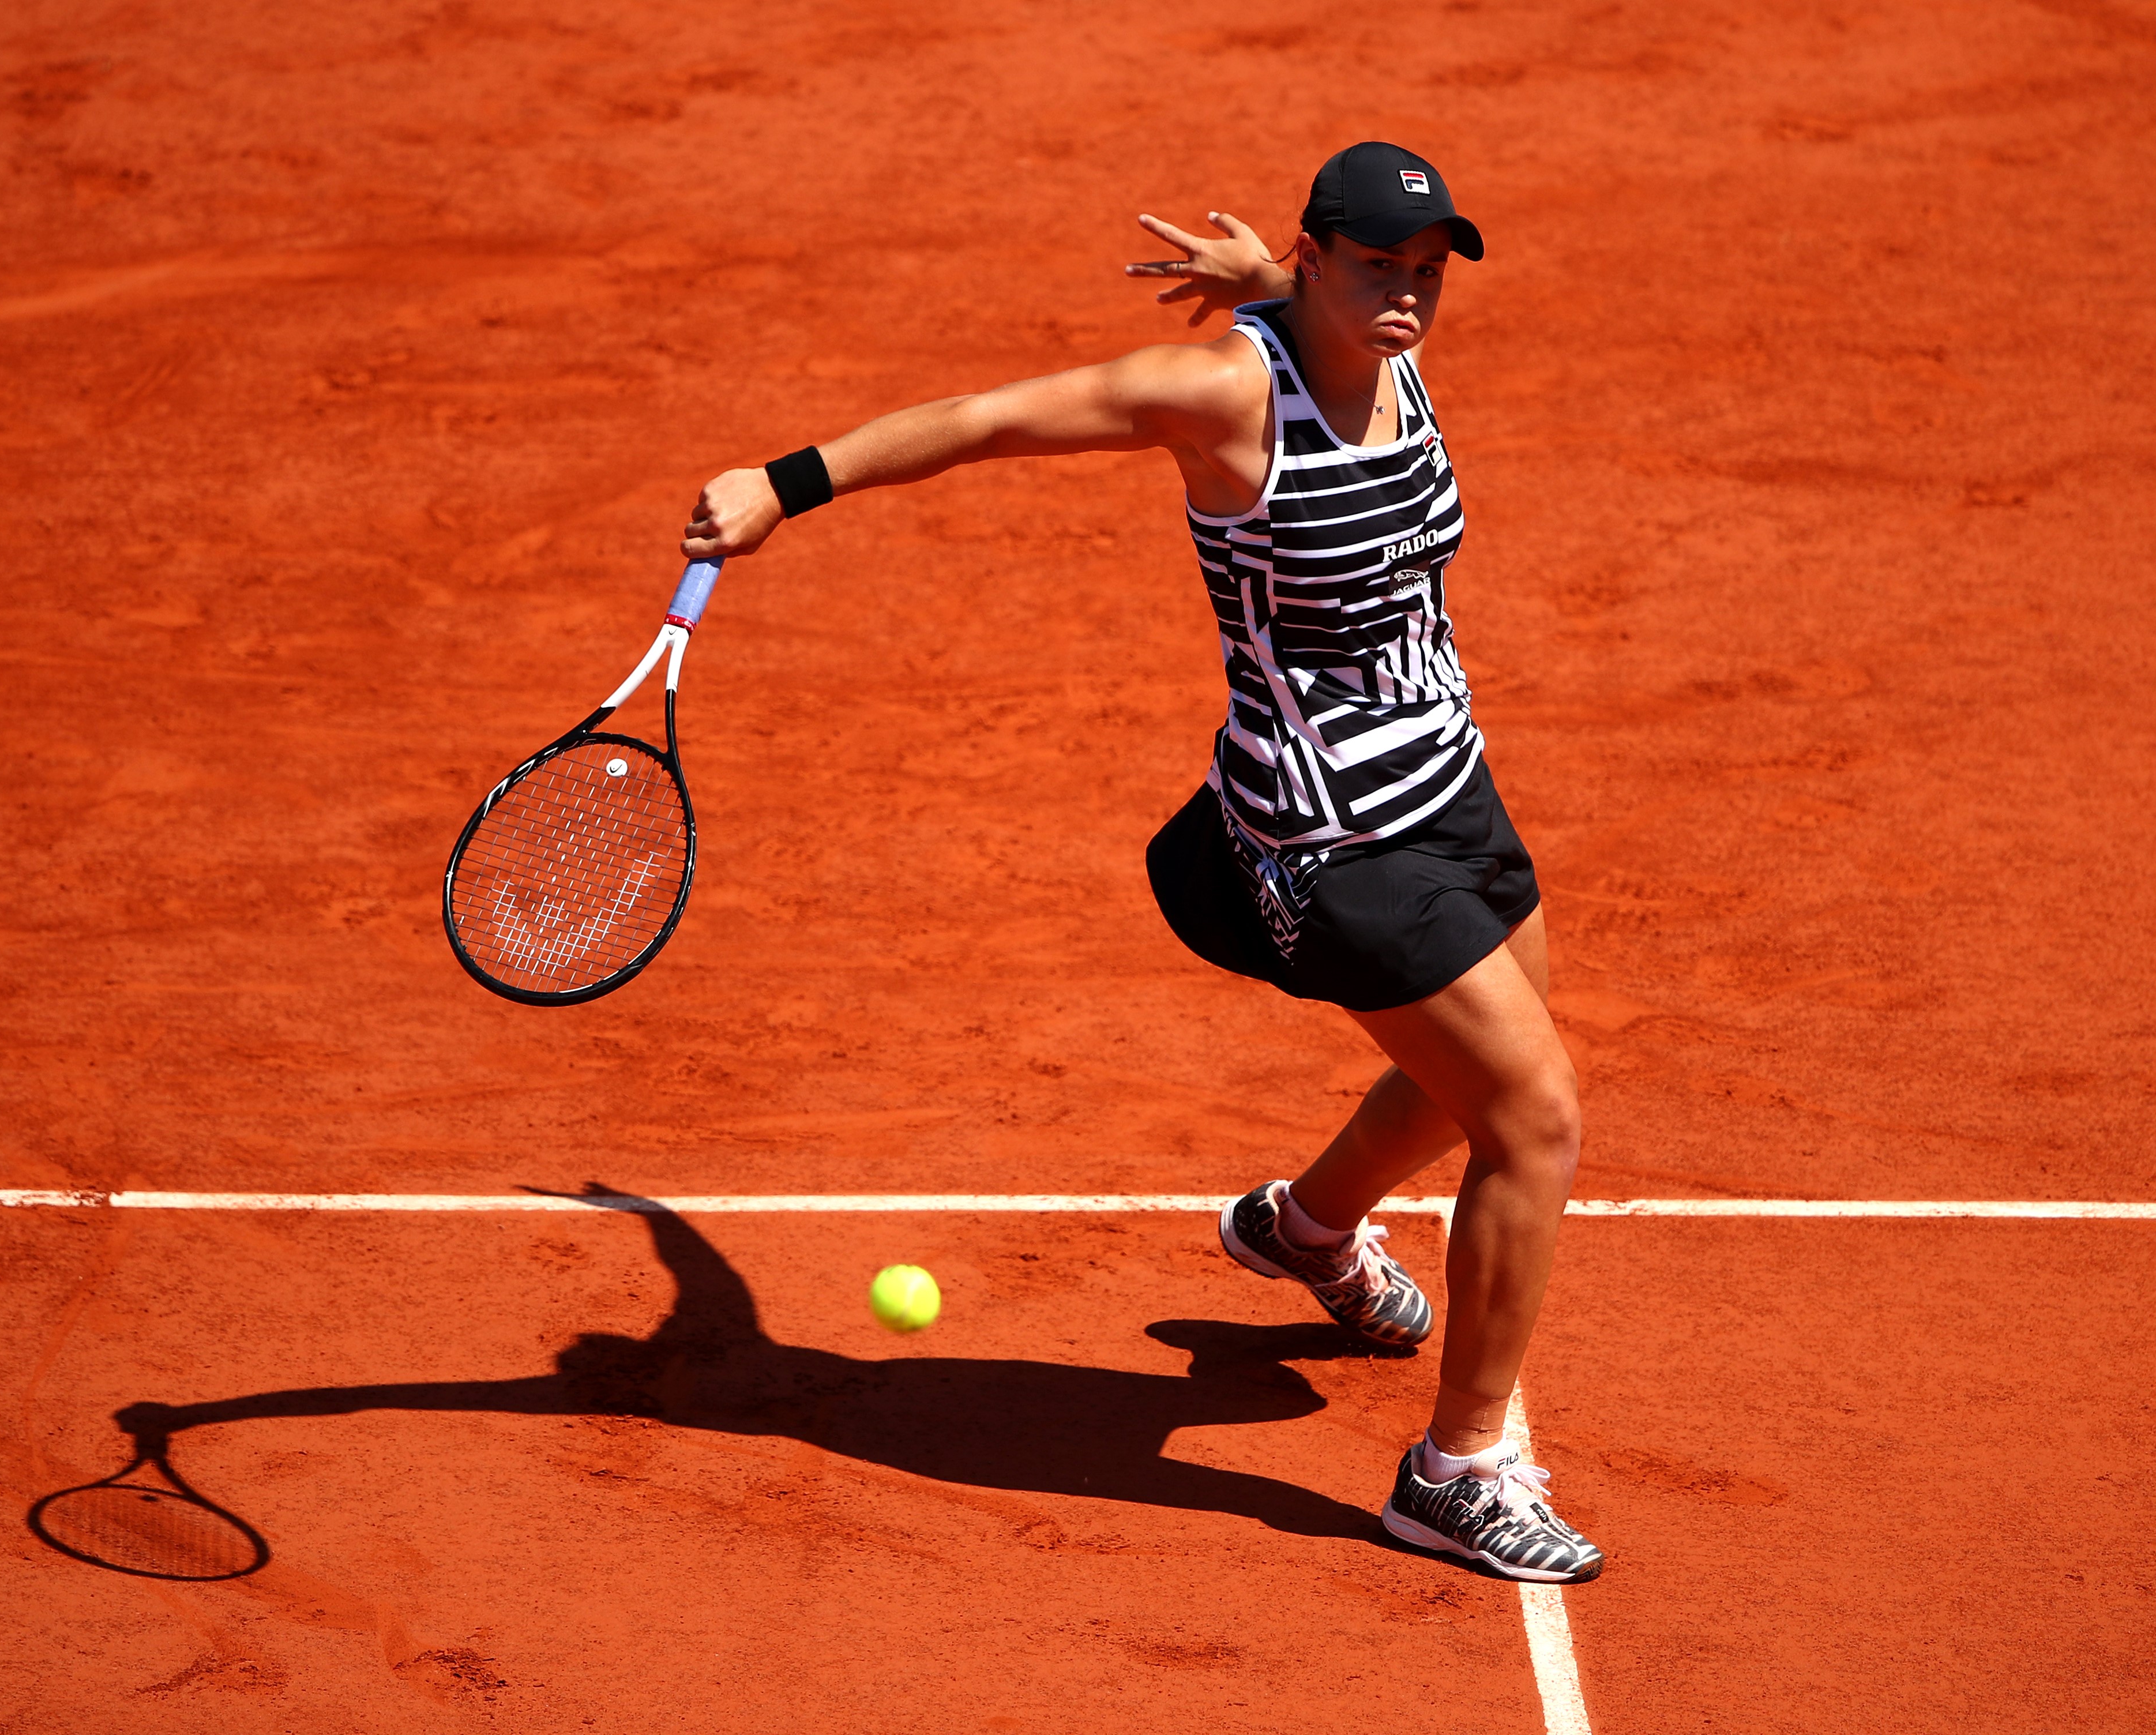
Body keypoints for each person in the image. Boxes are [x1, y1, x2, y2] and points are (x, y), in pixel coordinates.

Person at [682, 141, 1602, 1584]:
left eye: (1428, 274)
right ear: (1317, 254)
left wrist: (1299, 289)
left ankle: (1306, 1230)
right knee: (1534, 1118)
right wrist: (788, 485)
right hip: (1326, 838)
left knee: (1481, 1073)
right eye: (1378, 267)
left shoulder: (1379, 341)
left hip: (1450, 789)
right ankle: (1459, 1471)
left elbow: (1350, 327)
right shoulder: (1228, 397)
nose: (1412, 297)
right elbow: (989, 418)